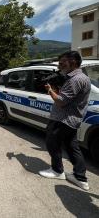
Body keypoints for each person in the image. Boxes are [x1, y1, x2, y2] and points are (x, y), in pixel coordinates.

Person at [39, 51, 91, 191]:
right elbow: (67, 97)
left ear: (73, 62)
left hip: (62, 120)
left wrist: (50, 90)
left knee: (52, 144)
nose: (60, 66)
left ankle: (57, 171)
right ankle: (80, 177)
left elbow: (61, 101)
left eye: (62, 63)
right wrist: (57, 88)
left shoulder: (74, 80)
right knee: (72, 147)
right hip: (72, 120)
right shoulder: (82, 77)